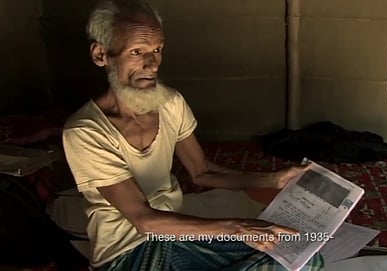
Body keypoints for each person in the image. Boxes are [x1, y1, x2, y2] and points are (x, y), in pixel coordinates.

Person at [62, 0, 323, 270]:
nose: (152, 64)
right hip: (127, 254)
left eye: (157, 49)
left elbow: (201, 172)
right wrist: (237, 228)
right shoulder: (85, 131)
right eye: (137, 52)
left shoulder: (170, 103)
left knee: (301, 256)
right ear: (101, 55)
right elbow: (144, 219)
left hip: (175, 237)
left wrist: (273, 179)